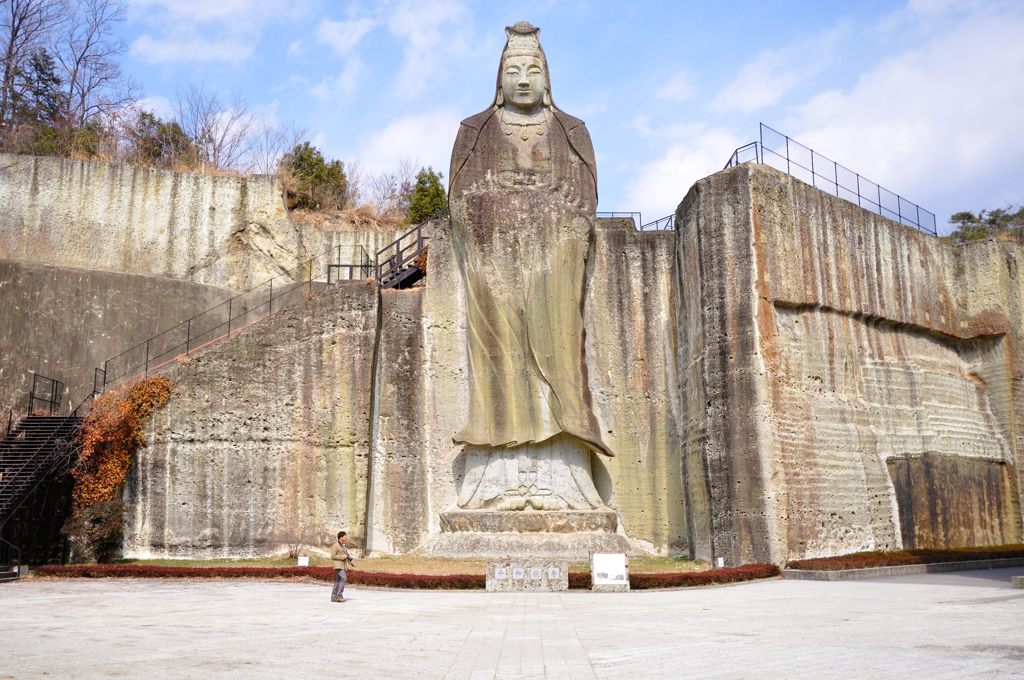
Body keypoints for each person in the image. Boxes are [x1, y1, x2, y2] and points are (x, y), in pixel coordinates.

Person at [448, 21, 613, 511]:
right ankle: (496, 477)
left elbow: (586, 203)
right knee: (497, 358)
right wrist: (502, 207)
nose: (523, 80)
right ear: (498, 80)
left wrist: (546, 213)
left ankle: (564, 477)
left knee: (562, 352)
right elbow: (458, 202)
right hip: (495, 264)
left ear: (548, 77)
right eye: (513, 70)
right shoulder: (473, 132)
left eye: (533, 70)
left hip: (553, 263)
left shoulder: (572, 131)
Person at [330, 531, 354, 603]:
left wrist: (352, 563)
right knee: (344, 578)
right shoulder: (335, 545)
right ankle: (339, 596)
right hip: (338, 565)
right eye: (345, 536)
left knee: (337, 581)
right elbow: (333, 556)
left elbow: (347, 555)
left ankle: (333, 597)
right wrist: (342, 557)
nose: (346, 537)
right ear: (341, 537)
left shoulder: (343, 545)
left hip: (343, 565)